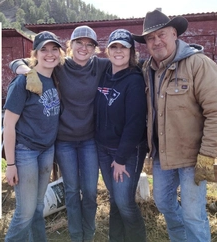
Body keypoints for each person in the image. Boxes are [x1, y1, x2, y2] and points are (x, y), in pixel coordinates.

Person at [10, 26, 110, 242]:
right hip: (63, 141)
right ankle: (76, 236)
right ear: (70, 46)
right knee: (72, 191)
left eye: (89, 44)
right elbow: (19, 62)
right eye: (79, 43)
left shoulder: (100, 65)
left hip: (89, 140)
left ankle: (88, 234)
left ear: (94, 49)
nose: (84, 48)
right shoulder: (59, 66)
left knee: (91, 192)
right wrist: (23, 69)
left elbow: (126, 63)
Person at [132, 9, 217, 241]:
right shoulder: (147, 70)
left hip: (193, 156)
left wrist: (209, 154)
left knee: (193, 214)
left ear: (174, 33)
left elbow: (216, 111)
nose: (156, 41)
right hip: (163, 155)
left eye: (161, 34)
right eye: (150, 38)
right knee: (163, 203)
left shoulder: (199, 64)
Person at [3, 31, 65, 241]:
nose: (50, 54)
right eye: (44, 49)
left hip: (46, 150)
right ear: (35, 53)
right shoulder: (24, 82)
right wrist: (11, 164)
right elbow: (9, 124)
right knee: (25, 211)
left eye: (54, 49)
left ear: (60, 53)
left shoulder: (55, 76)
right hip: (26, 152)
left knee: (39, 207)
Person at [95, 29, 147, 242]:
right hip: (103, 148)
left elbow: (135, 124)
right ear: (108, 50)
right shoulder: (104, 73)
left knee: (125, 202)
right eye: (114, 47)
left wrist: (120, 159)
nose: (118, 51)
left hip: (126, 152)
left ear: (131, 52)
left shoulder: (134, 80)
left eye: (123, 47)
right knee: (115, 200)